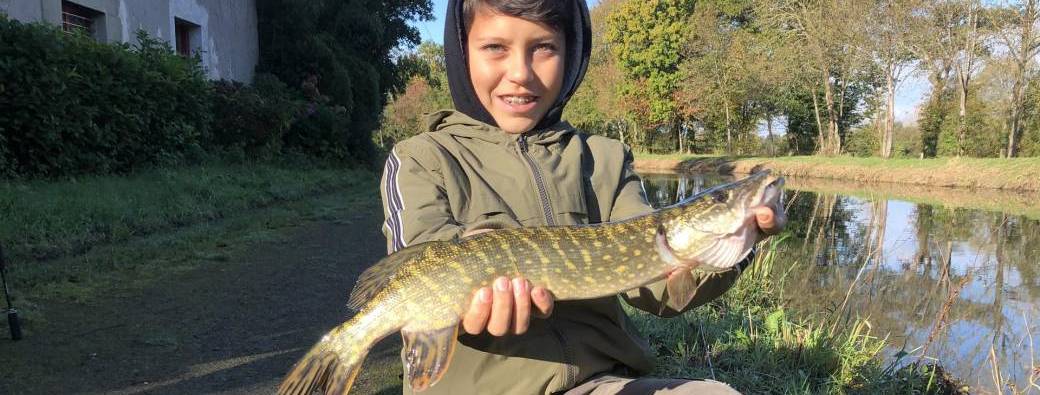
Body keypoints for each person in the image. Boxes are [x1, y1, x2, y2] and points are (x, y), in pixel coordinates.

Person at [379, 0, 785, 394]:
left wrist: (743, 239)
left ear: (571, 54)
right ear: (461, 51)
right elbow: (417, 264)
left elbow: (665, 292)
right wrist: (476, 280)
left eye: (544, 47)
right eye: (495, 47)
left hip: (599, 384)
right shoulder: (422, 158)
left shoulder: (604, 159)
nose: (520, 73)